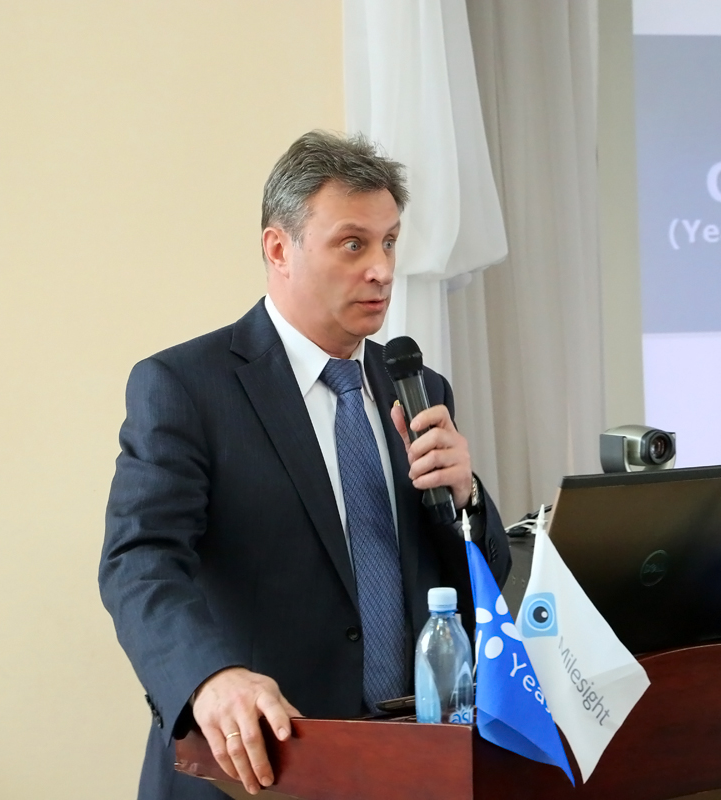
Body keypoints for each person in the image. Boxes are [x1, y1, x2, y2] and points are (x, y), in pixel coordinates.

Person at [99, 130, 511, 800]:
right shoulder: (188, 386)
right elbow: (138, 561)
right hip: (260, 767)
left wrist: (466, 498)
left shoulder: (418, 388)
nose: (381, 269)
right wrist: (209, 678)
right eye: (353, 244)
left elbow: (477, 589)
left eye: (389, 242)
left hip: (407, 764)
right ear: (278, 249)